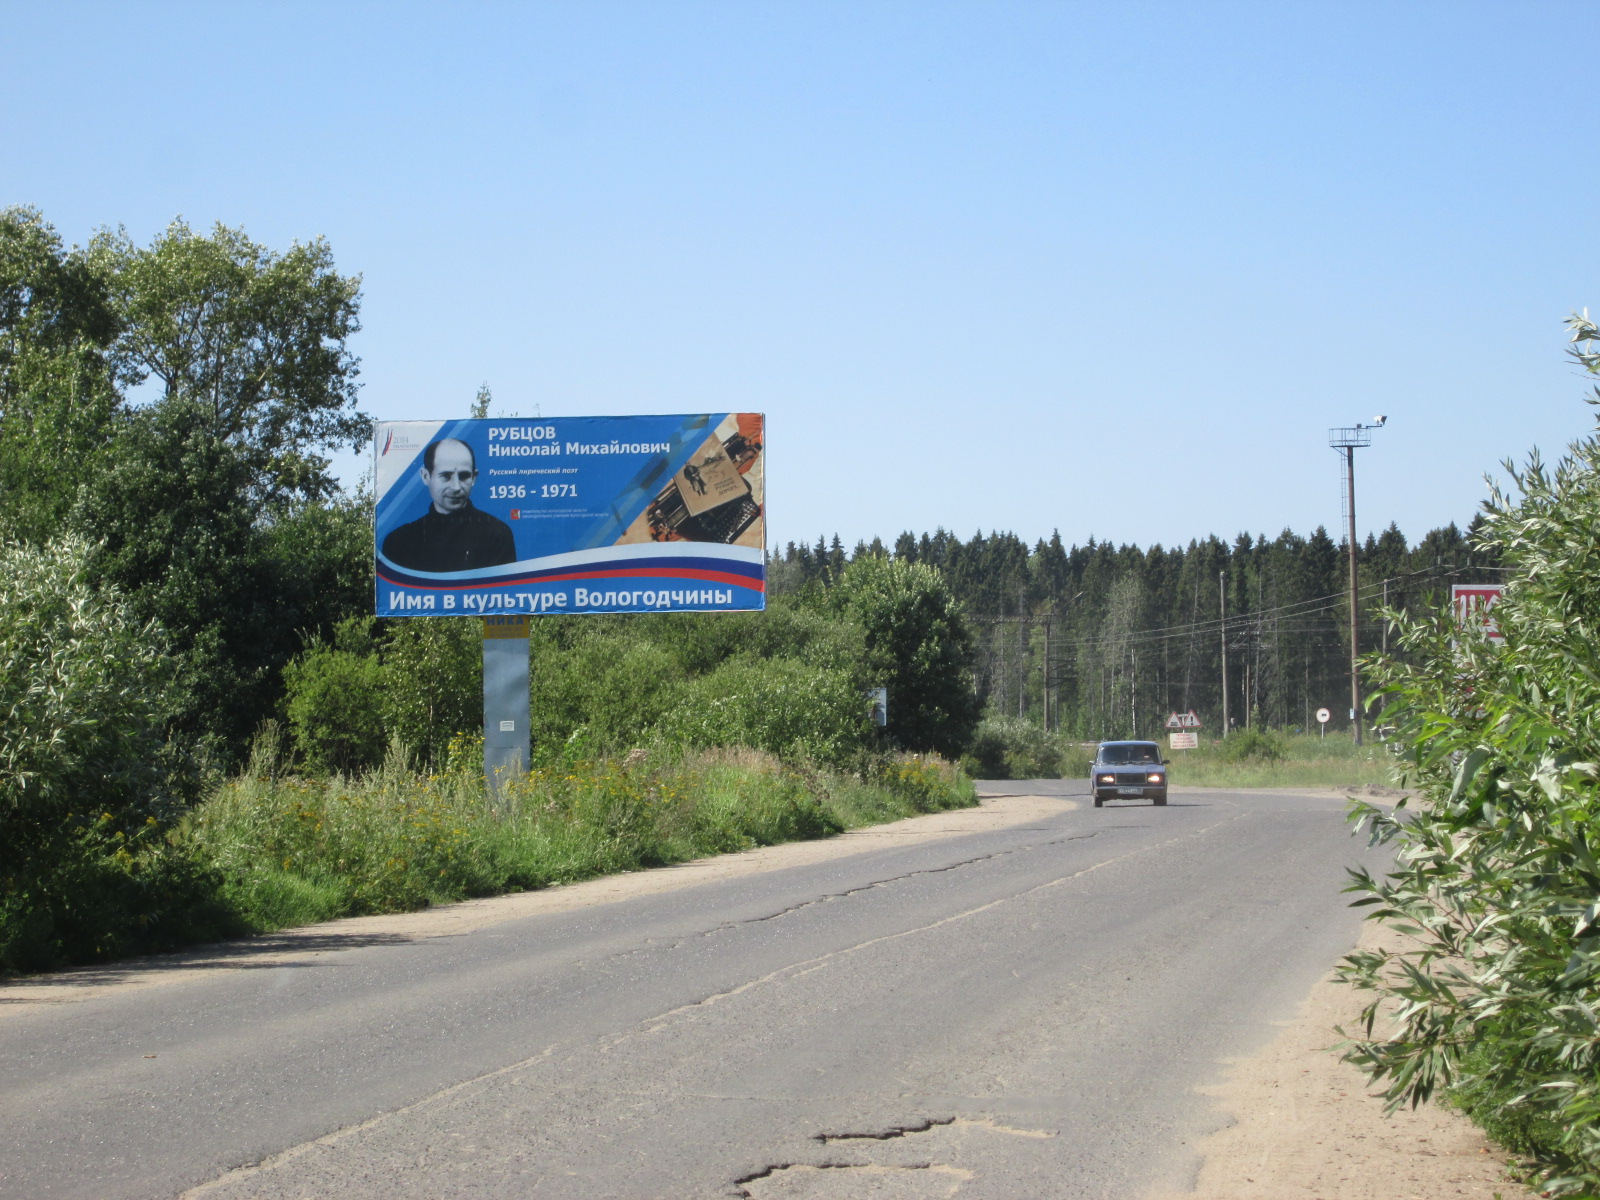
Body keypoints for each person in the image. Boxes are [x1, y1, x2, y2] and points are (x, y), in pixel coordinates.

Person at [381, 438, 516, 572]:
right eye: (446, 476)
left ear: (474, 477)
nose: (456, 487)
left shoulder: (497, 535)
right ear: (426, 476)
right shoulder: (399, 542)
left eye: (464, 476)